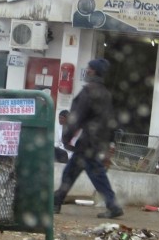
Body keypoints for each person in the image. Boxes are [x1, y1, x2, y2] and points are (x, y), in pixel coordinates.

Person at [53, 58, 124, 219]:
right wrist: (110, 142)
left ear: (94, 71)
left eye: (89, 68)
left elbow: (77, 117)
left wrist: (67, 137)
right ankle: (56, 200)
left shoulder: (88, 91)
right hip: (99, 141)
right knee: (73, 171)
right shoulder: (106, 93)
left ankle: (112, 205)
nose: (87, 70)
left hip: (88, 142)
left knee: (91, 173)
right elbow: (111, 120)